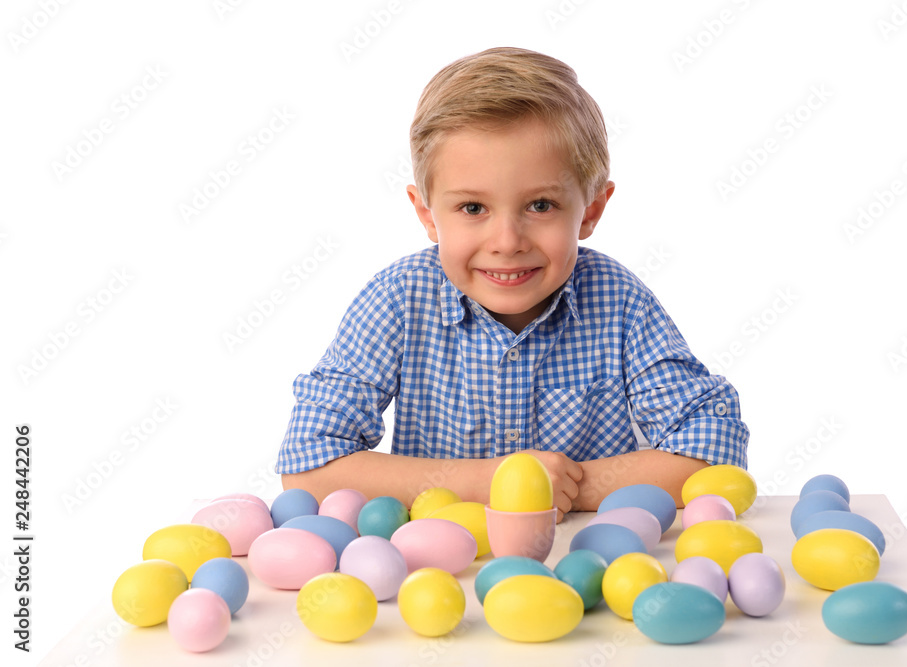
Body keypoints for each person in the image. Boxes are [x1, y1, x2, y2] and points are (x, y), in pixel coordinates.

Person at [277, 47, 748, 521]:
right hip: (444, 573)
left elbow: (715, 448)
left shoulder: (619, 301)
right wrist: (488, 483)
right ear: (427, 215)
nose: (507, 242)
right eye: (473, 209)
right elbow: (308, 465)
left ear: (590, 211)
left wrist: (566, 491)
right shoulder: (398, 300)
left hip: (586, 566)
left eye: (540, 205)